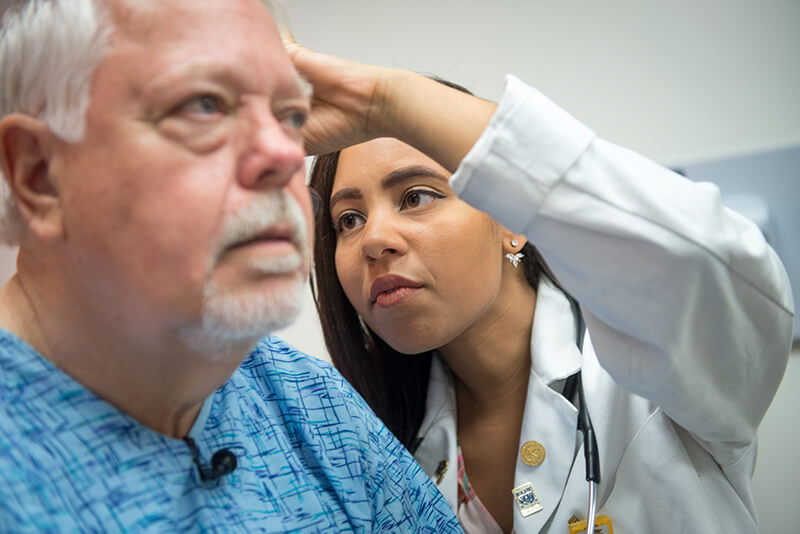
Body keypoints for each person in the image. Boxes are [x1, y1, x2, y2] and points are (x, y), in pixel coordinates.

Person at [286, 37, 796, 533]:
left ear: (512, 218)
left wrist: (382, 100)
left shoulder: (652, 378)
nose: (373, 238)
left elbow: (706, 259)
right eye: (348, 219)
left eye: (417, 196)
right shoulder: (374, 446)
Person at [0, 1, 463, 532]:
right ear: (40, 175)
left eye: (290, 116)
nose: (289, 157)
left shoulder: (310, 402)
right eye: (203, 105)